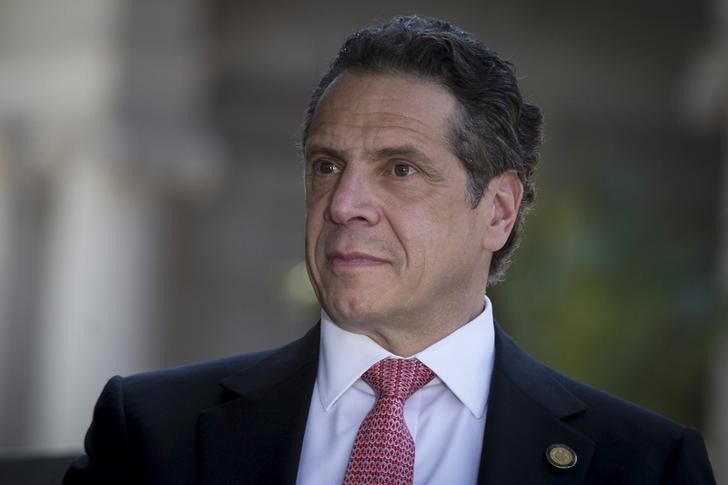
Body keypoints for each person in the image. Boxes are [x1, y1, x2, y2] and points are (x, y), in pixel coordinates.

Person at [64, 15, 716, 484]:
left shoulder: (643, 464)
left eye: (399, 169)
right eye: (326, 166)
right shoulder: (152, 431)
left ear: (498, 209)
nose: (344, 203)